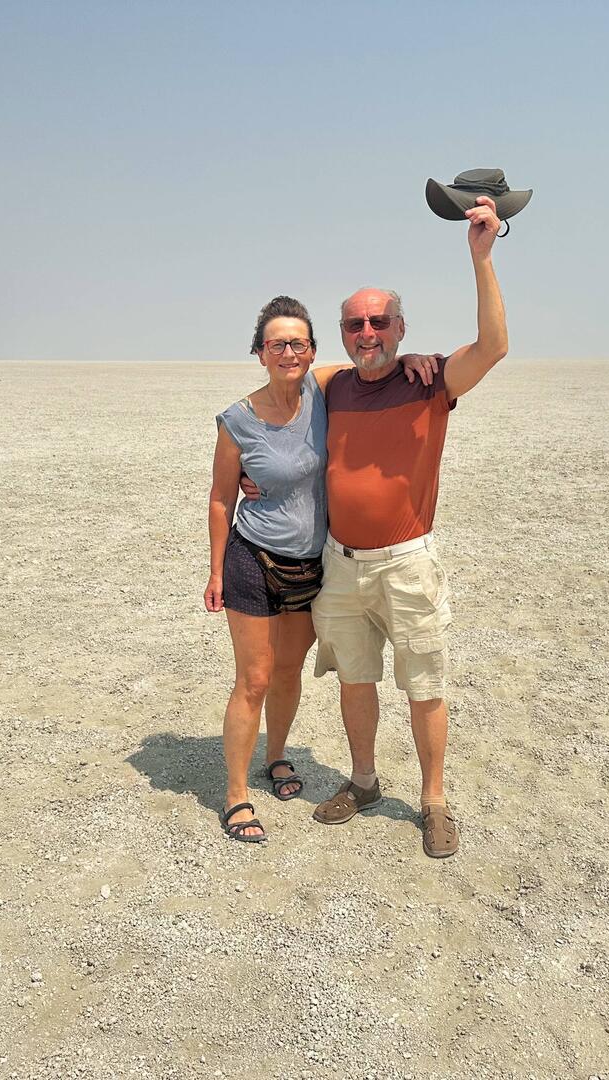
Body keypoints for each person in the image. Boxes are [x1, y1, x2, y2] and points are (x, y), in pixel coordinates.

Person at [306, 194, 508, 859]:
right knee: (356, 681)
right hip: (341, 565)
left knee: (425, 684)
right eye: (356, 324)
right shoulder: (331, 386)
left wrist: (481, 257)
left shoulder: (431, 383)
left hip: (407, 563)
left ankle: (434, 800)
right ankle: (363, 782)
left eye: (381, 322)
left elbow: (494, 347)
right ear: (343, 333)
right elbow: (288, 385)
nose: (369, 333)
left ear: (399, 326)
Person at [204, 297, 438, 843]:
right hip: (253, 559)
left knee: (288, 671)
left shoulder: (321, 387)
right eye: (277, 343)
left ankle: (278, 757)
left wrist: (410, 359)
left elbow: (374, 359)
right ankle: (237, 794)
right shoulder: (237, 420)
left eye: (299, 343)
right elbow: (220, 499)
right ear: (259, 351)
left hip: (313, 564)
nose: (289, 352)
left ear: (313, 351)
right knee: (254, 679)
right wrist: (215, 572)